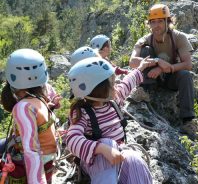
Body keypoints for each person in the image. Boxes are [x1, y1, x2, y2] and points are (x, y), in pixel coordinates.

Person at [66, 57, 154, 184]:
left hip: (119, 154)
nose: (116, 85)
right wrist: (102, 148)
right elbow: (72, 139)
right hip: (95, 161)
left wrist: (140, 68)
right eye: (111, 84)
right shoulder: (81, 112)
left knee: (135, 159)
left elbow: (127, 83)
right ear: (98, 90)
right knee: (108, 143)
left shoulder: (114, 101)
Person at [129, 3, 198, 139]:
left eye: (160, 21)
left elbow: (188, 64)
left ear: (168, 21)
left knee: (185, 75)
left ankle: (187, 120)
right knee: (146, 50)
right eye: (153, 22)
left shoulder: (178, 37)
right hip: (151, 77)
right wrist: (157, 61)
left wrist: (169, 67)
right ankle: (144, 91)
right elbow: (132, 62)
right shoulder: (146, 39)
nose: (156, 25)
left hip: (170, 78)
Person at [2, 48, 57, 183]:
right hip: (48, 158)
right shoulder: (40, 99)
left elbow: (31, 151)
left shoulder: (23, 107)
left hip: (37, 163)